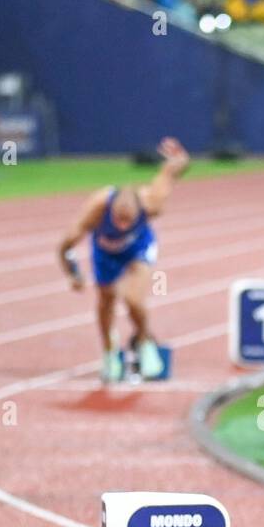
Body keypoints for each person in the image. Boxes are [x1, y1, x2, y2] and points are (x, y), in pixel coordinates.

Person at [56, 137, 190, 383]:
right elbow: (64, 245)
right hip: (105, 253)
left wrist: (180, 158)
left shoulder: (152, 202)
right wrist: (73, 274)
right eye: (119, 220)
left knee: (133, 299)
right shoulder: (97, 207)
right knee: (106, 300)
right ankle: (109, 351)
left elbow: (172, 171)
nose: (123, 226)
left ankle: (145, 340)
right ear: (111, 211)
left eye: (129, 221)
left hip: (138, 249)